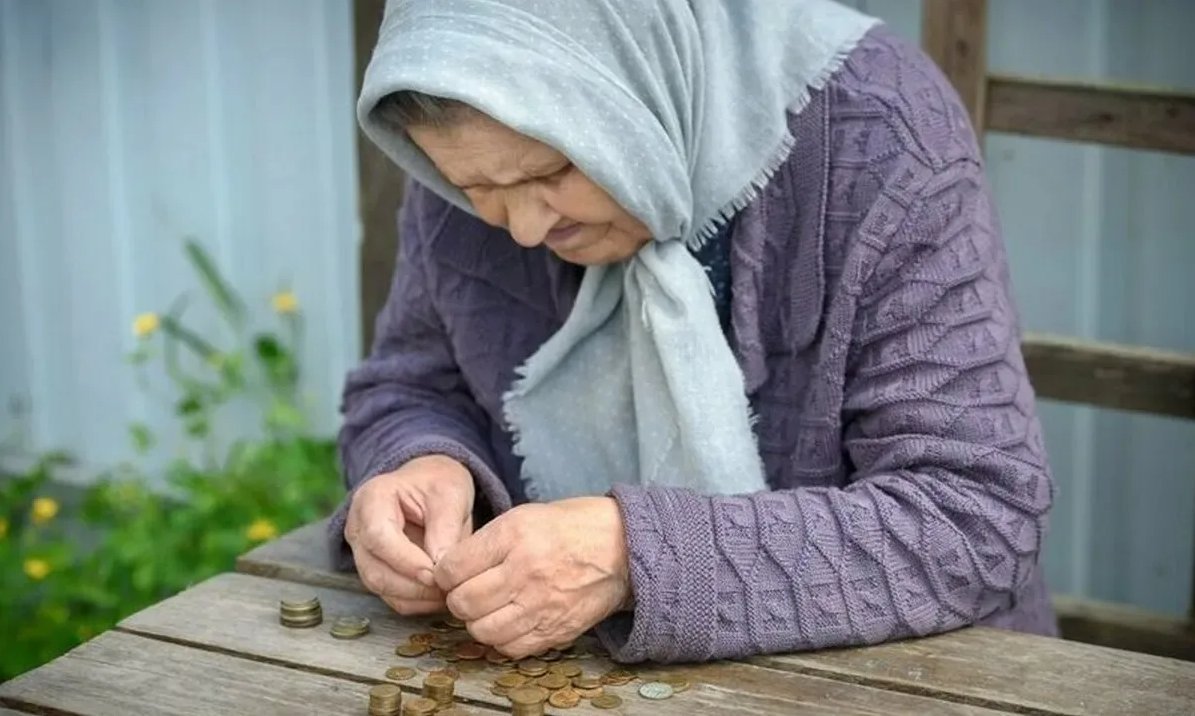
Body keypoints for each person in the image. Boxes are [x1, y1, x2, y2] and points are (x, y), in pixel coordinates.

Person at [330, 0, 1057, 664]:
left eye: (550, 169)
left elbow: (975, 516)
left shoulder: (884, 133)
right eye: (478, 191)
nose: (523, 228)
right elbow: (410, 382)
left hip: (905, 680)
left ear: (631, 86)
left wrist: (632, 556)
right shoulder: (467, 138)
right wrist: (417, 464)